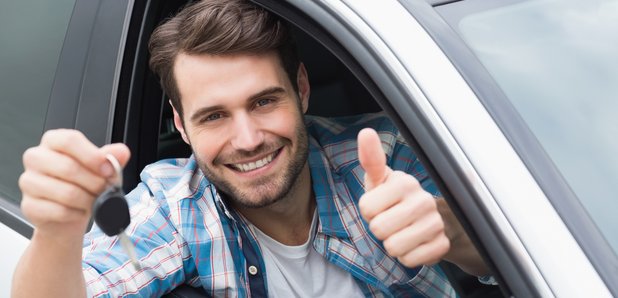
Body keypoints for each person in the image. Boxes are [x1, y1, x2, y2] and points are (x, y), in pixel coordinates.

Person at [12, 0, 490, 297]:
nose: (247, 140)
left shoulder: (381, 156)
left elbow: (516, 252)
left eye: (263, 102)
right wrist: (57, 233)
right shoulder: (177, 208)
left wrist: (448, 227)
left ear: (301, 89)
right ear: (181, 125)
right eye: (214, 115)